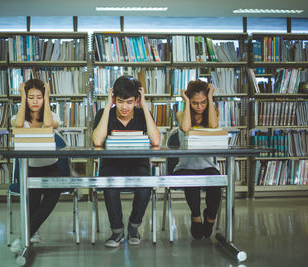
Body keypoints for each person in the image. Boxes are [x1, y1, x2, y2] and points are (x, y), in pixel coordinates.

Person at [92, 75, 160, 247]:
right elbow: (97, 142)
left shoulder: (141, 113)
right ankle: (117, 231)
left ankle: (134, 226)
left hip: (138, 165)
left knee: (145, 185)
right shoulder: (104, 113)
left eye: (129, 102)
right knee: (110, 184)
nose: (124, 107)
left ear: (136, 101)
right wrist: (108, 107)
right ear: (114, 98)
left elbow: (156, 141)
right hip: (112, 165)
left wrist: (144, 106)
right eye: (120, 101)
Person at [10, 78, 63, 253]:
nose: (35, 101)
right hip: (30, 169)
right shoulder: (18, 118)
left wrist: (47, 97)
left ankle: (24, 235)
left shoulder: (52, 115)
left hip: (51, 168)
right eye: (30, 97)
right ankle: (31, 233)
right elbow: (18, 125)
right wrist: (22, 98)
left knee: (52, 196)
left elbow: (48, 125)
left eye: (38, 97)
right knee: (31, 200)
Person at [173, 79, 221, 240]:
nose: (199, 107)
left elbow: (213, 127)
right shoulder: (181, 113)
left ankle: (211, 217)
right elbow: (186, 128)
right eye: (195, 103)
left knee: (216, 183)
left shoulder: (212, 112)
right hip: (185, 166)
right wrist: (185, 102)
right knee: (191, 180)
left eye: (203, 102)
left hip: (207, 165)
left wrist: (211, 97)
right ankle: (196, 217)